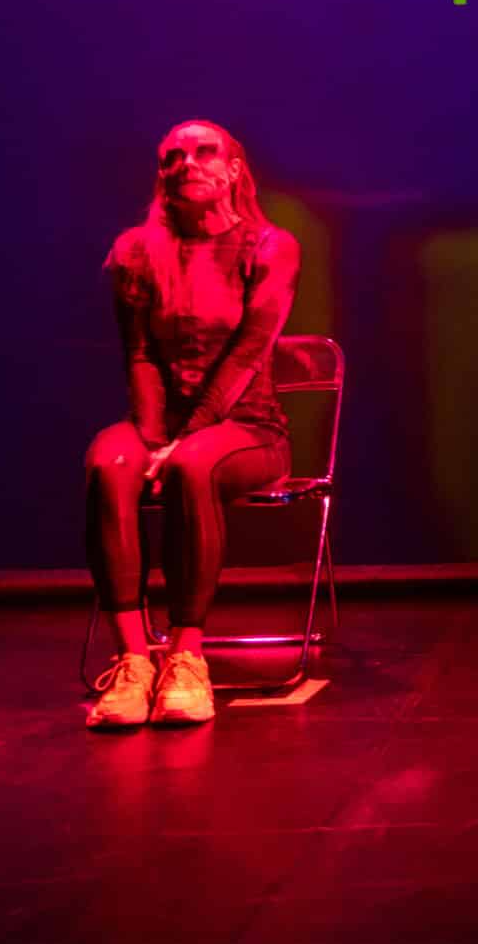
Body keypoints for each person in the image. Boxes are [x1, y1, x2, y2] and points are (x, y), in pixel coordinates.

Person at [83, 119, 300, 730]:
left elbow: (250, 351)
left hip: (248, 428)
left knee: (192, 463)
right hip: (161, 428)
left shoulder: (270, 246)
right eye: (172, 156)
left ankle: (186, 658)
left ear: (234, 170)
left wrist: (183, 439)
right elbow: (140, 356)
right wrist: (153, 439)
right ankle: (134, 659)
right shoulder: (136, 250)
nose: (187, 163)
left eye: (205, 153)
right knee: (108, 461)